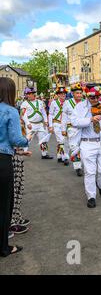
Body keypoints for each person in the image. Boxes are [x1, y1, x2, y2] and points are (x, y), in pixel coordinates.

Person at [0, 77, 30, 257]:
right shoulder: (10, 111)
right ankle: (4, 247)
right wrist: (27, 139)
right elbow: (16, 139)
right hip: (3, 160)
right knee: (4, 205)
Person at [20, 87, 53, 160]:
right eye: (27, 94)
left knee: (43, 139)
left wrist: (46, 121)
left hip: (40, 124)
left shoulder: (40, 102)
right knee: (28, 139)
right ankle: (24, 152)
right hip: (31, 125)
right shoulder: (24, 104)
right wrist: (28, 123)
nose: (28, 95)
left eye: (30, 94)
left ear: (33, 94)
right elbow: (23, 115)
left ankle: (44, 154)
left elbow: (44, 113)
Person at [61, 83, 85, 177]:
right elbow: (64, 117)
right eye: (77, 93)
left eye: (80, 93)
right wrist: (63, 129)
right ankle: (78, 167)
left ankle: (85, 164)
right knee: (74, 147)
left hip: (83, 129)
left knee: (83, 148)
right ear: (73, 94)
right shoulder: (68, 103)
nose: (79, 95)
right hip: (72, 128)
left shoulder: (85, 102)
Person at [48, 85, 70, 166]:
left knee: (66, 141)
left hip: (66, 125)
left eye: (64, 93)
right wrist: (50, 126)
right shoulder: (54, 103)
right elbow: (50, 114)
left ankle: (59, 155)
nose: (62, 95)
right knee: (61, 140)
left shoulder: (68, 102)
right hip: (57, 123)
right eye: (60, 94)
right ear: (58, 95)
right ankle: (65, 158)